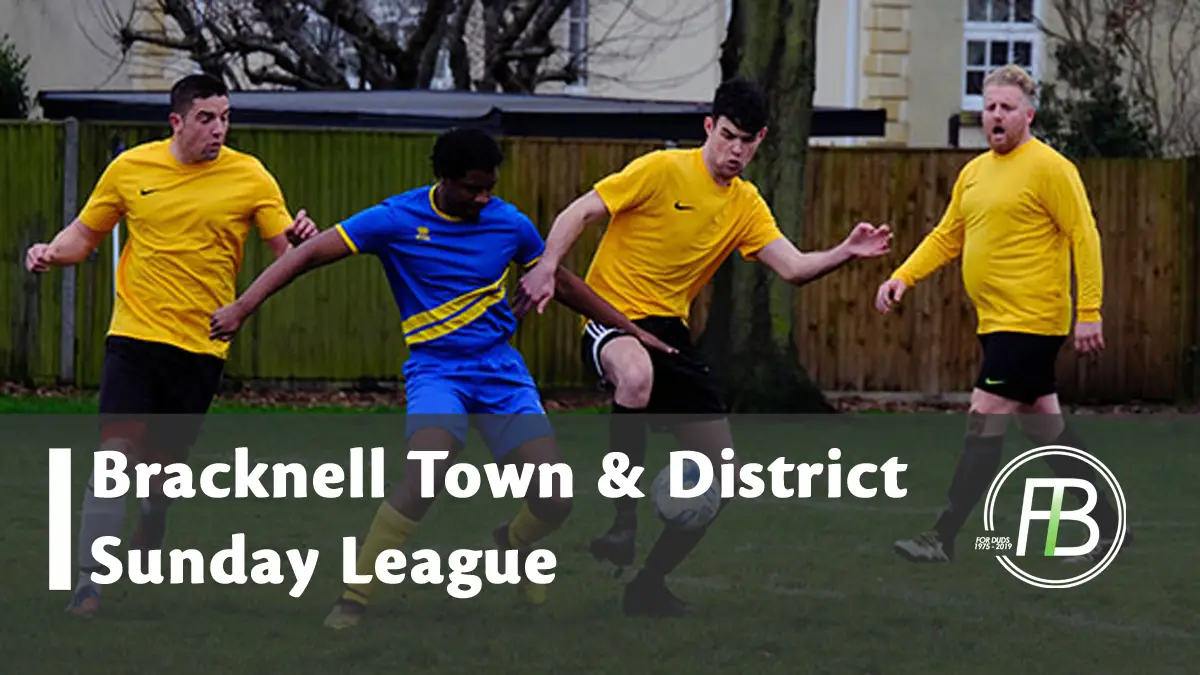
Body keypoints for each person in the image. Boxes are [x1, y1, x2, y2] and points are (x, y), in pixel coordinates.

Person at [208, 126, 677, 629]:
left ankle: (512, 544)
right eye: (473, 187)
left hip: (500, 372)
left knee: (555, 498)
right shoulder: (395, 219)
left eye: (488, 187)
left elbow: (560, 282)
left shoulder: (509, 224)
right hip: (437, 370)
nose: (482, 197)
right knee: (426, 470)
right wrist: (242, 306)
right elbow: (305, 255)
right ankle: (354, 597)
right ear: (444, 179)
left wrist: (632, 331)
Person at [514, 78, 893, 617]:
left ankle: (646, 586)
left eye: (748, 142)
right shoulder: (661, 170)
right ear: (709, 127)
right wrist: (548, 267)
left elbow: (793, 268)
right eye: (728, 137)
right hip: (613, 318)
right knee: (636, 377)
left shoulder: (745, 205)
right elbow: (577, 213)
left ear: (761, 140)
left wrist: (845, 251)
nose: (736, 152)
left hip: (672, 335)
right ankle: (623, 524)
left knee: (725, 475)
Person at [25, 73, 318, 618]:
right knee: (116, 456)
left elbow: (286, 255)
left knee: (160, 473)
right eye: (207, 118)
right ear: (177, 121)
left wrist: (302, 242)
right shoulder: (130, 168)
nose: (219, 129)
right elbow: (84, 236)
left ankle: (154, 514)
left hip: (203, 346)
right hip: (134, 338)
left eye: (226, 117)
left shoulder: (250, 175)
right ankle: (89, 583)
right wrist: (49, 251)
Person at [875, 65, 1125, 564]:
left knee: (984, 416)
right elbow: (948, 235)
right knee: (1043, 429)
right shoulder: (974, 173)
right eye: (989, 107)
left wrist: (1090, 310)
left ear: (1028, 115)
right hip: (995, 324)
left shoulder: (1051, 168)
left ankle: (941, 537)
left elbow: (1085, 236)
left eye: (1007, 108)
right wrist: (903, 275)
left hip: (1032, 323)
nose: (996, 116)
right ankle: (1110, 524)